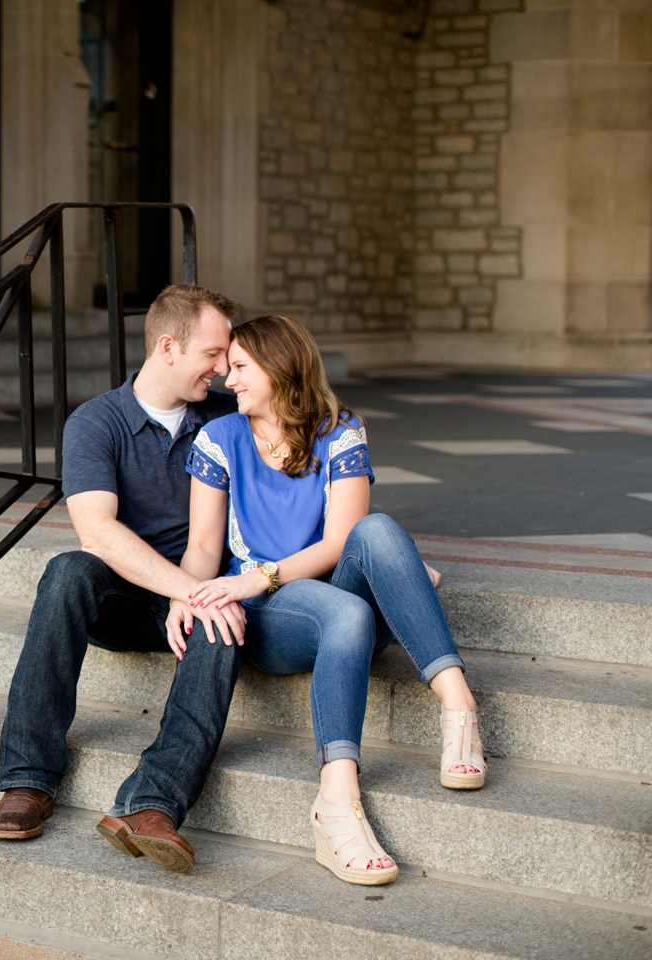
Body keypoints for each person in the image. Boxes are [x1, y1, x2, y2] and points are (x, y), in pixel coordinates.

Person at [172, 313, 485, 887]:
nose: (228, 380)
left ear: (279, 367)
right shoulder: (219, 439)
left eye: (240, 367)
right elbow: (202, 545)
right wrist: (184, 595)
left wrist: (259, 576)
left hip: (301, 588)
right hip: (276, 619)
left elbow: (342, 541)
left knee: (377, 531)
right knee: (350, 610)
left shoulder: (340, 430)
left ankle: (458, 705)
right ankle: (336, 803)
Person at [0, 283, 245, 875]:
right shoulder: (97, 423)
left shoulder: (227, 418)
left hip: (205, 595)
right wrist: (186, 590)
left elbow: (305, 438)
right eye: (213, 354)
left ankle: (152, 805)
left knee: (222, 619)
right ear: (168, 346)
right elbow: (97, 532)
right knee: (67, 571)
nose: (225, 370)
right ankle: (28, 778)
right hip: (130, 599)